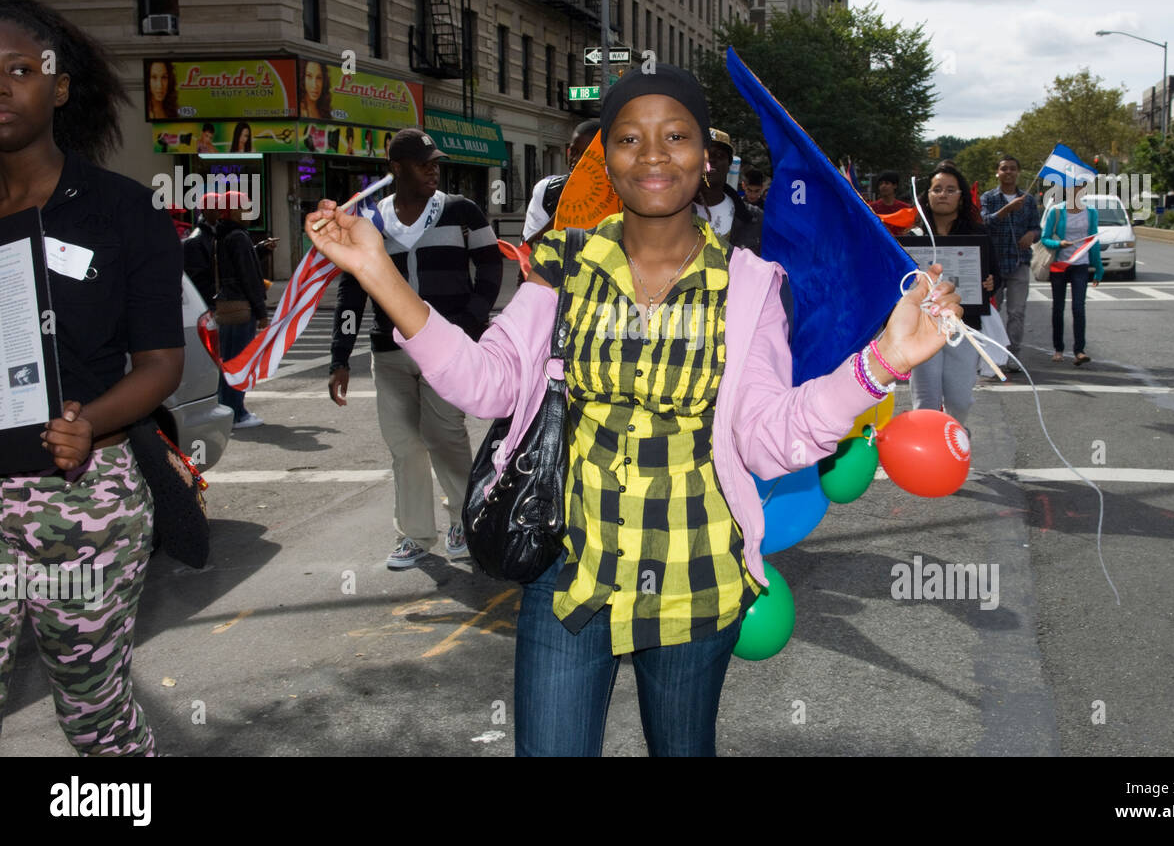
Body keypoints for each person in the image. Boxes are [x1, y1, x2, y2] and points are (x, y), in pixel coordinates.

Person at [306, 64, 962, 757]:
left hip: (696, 579)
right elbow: (487, 382)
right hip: (570, 575)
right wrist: (376, 270)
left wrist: (879, 364)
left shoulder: (751, 285)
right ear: (608, 159)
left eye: (675, 135)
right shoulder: (561, 264)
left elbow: (769, 438)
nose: (653, 154)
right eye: (630, 138)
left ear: (706, 158)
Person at [0, 0, 185, 755]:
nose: (2, 87)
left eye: (20, 69)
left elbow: (161, 364)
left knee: (94, 716)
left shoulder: (122, 211)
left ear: (60, 86)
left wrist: (91, 421)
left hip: (80, 505)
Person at [329, 130, 503, 569]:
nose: (433, 169)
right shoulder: (371, 220)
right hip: (388, 349)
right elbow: (352, 289)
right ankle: (415, 533)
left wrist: (471, 318)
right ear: (396, 168)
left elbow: (489, 263)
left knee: (445, 435)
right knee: (403, 445)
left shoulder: (462, 211)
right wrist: (339, 356)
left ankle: (465, 520)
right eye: (423, 163)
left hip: (446, 347)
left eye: (435, 162)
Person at [909, 162, 997, 429]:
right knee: (926, 400)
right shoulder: (912, 237)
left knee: (960, 400)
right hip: (923, 327)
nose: (943, 194)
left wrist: (992, 282)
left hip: (964, 327)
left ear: (961, 197)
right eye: (937, 189)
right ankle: (929, 452)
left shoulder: (978, 234)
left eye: (950, 189)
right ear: (927, 195)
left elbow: (995, 275)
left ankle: (954, 435)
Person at [213, 193, 270, 428]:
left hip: (227, 306)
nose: (249, 213)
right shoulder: (238, 237)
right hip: (240, 307)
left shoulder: (223, 234)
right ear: (233, 211)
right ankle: (236, 412)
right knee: (238, 362)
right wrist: (261, 311)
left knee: (228, 360)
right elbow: (248, 277)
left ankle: (228, 408)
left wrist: (258, 251)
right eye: (244, 208)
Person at [979, 156, 1040, 372]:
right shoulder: (988, 198)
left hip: (1019, 263)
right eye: (1004, 169)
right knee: (992, 312)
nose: (1008, 172)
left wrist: (1032, 235)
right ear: (997, 172)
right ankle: (992, 355)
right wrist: (1007, 209)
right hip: (993, 265)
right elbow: (984, 223)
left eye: (1013, 169)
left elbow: (1038, 229)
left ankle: (1014, 355)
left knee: (1017, 312)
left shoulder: (1029, 200)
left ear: (1018, 173)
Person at [1041, 184, 1103, 365]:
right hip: (1060, 264)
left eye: (1079, 188)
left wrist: (1098, 268)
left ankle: (1079, 351)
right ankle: (1058, 349)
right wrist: (1059, 245)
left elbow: (1093, 241)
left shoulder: (1090, 212)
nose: (1075, 192)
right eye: (1071, 188)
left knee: (1078, 307)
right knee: (1058, 308)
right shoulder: (1056, 211)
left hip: (1080, 264)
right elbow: (1045, 238)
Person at [522, 119, 600, 244]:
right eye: (573, 152)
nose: (576, 160)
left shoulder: (623, 194)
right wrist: (562, 215)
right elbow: (528, 249)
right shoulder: (546, 190)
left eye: (587, 154)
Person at [694, 127, 764, 255]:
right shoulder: (672, 212)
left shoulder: (755, 218)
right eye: (704, 154)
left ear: (729, 164)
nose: (711, 159)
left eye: (719, 155)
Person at [868, 171, 916, 236]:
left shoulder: (906, 208)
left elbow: (910, 228)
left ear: (895, 186)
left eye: (887, 183)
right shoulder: (871, 208)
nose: (883, 186)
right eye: (881, 184)